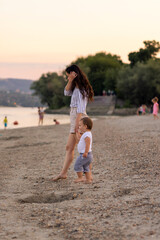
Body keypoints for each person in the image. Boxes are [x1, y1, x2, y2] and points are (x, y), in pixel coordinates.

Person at [53, 64, 94, 181]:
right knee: (69, 147)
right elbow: (66, 93)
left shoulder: (81, 89)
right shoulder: (75, 87)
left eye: (68, 76)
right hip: (75, 117)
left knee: (83, 149)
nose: (67, 78)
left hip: (79, 117)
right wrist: (70, 81)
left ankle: (87, 177)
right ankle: (64, 173)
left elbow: (80, 109)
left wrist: (77, 127)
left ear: (74, 74)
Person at [74, 117, 93, 184]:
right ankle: (88, 179)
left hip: (85, 154)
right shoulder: (86, 133)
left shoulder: (87, 135)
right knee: (86, 167)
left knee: (77, 165)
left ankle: (80, 177)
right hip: (88, 154)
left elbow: (88, 143)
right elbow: (80, 139)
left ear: (85, 126)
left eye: (80, 125)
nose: (79, 127)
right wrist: (77, 133)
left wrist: (85, 152)